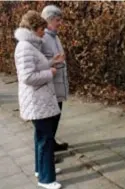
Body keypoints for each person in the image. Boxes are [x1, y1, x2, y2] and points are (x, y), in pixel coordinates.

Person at [14, 10, 65, 189]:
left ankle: (41, 170)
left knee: (41, 137)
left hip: (39, 100)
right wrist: (49, 73)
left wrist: (51, 63)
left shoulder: (29, 45)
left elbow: (36, 67)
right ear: (34, 28)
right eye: (42, 29)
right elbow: (27, 77)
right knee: (45, 139)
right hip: (37, 101)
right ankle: (46, 179)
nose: (44, 33)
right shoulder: (25, 47)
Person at [41, 5, 69, 155]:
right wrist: (53, 61)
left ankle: (52, 143)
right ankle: (48, 152)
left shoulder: (54, 36)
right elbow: (39, 62)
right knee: (51, 120)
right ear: (49, 20)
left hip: (58, 83)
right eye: (57, 20)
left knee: (56, 117)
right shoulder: (42, 38)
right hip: (50, 86)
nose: (60, 23)